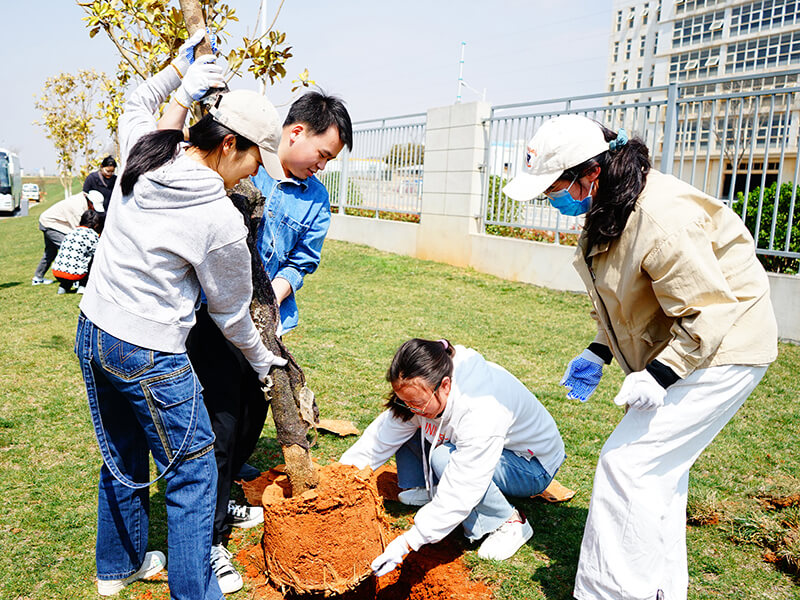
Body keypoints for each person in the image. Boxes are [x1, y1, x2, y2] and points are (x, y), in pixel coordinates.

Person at [503, 114, 778, 600]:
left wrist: (658, 375)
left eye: (553, 188)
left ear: (589, 172)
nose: (552, 200)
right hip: (695, 340)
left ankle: (609, 593)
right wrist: (600, 350)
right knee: (655, 473)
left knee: (627, 464)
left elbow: (708, 311)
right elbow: (624, 298)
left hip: (724, 346)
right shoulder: (610, 206)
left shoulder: (660, 216)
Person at [74, 29, 287, 600]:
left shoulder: (148, 151)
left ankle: (116, 568)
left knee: (122, 454)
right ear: (229, 145)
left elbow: (135, 103)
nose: (253, 176)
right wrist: (264, 360)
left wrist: (176, 73)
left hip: (94, 330)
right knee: (194, 475)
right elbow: (233, 315)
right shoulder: (219, 220)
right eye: (253, 162)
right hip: (148, 351)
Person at [184, 90, 353, 594]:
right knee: (220, 419)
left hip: (268, 321)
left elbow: (303, 260)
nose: (322, 166)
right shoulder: (241, 164)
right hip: (214, 321)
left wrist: (271, 300)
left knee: (253, 413)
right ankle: (209, 536)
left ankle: (227, 485)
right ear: (295, 132)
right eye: (322, 154)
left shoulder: (315, 197)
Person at [339, 338, 566, 576]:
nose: (412, 409)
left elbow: (466, 482)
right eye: (405, 401)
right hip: (479, 447)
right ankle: (429, 490)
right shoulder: (426, 386)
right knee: (410, 424)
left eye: (416, 402)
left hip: (532, 464)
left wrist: (407, 542)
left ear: (445, 385)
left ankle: (507, 522)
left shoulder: (481, 409)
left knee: (444, 459)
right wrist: (342, 478)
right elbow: (380, 438)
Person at [32, 189, 104, 285]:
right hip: (50, 224)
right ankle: (75, 279)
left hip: (48, 222)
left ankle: (38, 277)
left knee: (50, 252)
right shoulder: (77, 208)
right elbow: (79, 233)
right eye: (93, 206)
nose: (94, 209)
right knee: (71, 247)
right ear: (90, 201)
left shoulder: (82, 201)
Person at [51, 208, 105, 294]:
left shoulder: (72, 232)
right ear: (96, 225)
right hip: (76, 273)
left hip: (57, 271)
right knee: (92, 259)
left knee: (73, 260)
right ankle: (82, 286)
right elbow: (98, 253)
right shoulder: (91, 235)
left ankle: (63, 287)